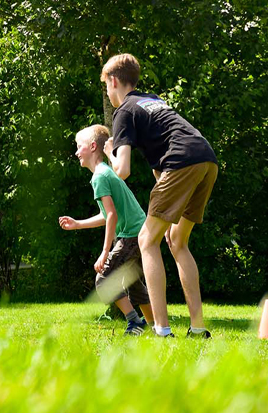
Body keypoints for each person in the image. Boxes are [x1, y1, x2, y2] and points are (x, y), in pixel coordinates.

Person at [102, 53, 218, 339]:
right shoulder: (151, 100)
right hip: (206, 158)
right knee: (177, 240)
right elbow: (160, 163)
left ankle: (162, 330)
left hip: (181, 162)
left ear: (113, 81)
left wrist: (109, 154)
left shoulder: (123, 111)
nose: (107, 92)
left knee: (146, 240)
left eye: (106, 86)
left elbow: (123, 169)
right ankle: (198, 327)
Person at [58, 124, 154, 336]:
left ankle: (135, 322)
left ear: (93, 146)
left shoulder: (99, 177)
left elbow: (112, 216)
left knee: (103, 280)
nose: (75, 152)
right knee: (134, 284)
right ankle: (156, 328)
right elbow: (108, 214)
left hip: (131, 234)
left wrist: (104, 252)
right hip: (140, 230)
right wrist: (78, 224)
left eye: (78, 146)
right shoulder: (106, 172)